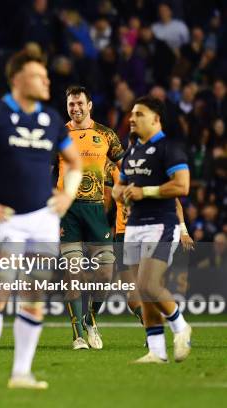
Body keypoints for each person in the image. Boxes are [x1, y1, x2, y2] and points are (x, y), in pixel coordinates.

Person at [0, 51, 82, 390]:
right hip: (7, 219)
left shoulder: (52, 119)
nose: (47, 81)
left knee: (33, 297)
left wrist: (67, 194)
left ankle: (21, 373)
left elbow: (76, 164)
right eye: (40, 76)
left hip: (43, 220)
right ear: (18, 79)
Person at [113, 96, 192, 363]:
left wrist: (144, 191)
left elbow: (182, 186)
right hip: (133, 226)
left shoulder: (169, 147)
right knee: (141, 293)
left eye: (139, 114)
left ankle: (181, 327)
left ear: (156, 119)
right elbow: (119, 186)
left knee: (148, 284)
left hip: (160, 224)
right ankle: (157, 352)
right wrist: (120, 193)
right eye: (132, 114)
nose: (132, 118)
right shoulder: (132, 151)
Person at [58, 85, 125, 350]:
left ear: (89, 106)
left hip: (97, 209)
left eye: (79, 104)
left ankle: (90, 318)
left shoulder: (106, 135)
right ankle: (77, 336)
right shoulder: (59, 134)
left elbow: (124, 166)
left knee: (106, 273)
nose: (75, 108)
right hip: (69, 211)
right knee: (73, 273)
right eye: (71, 104)